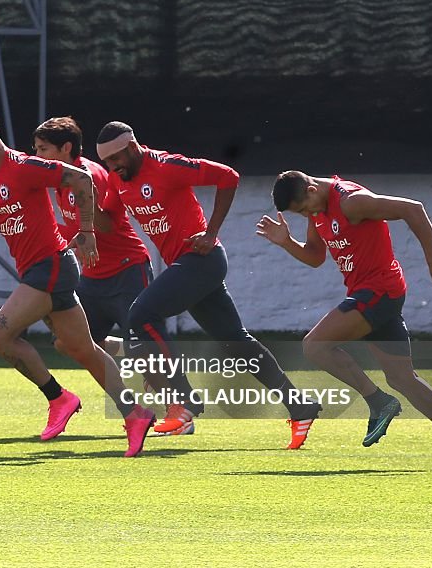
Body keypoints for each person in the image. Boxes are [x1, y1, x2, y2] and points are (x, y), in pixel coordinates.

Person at [96, 121, 321, 448]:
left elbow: (228, 177)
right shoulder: (119, 180)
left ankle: (184, 401)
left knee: (141, 314)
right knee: (236, 342)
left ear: (132, 148)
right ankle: (299, 405)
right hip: (188, 268)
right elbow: (108, 222)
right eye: (106, 163)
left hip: (203, 259)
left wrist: (212, 231)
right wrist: (82, 210)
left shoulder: (166, 166)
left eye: (115, 159)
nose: (112, 167)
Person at [0, 104, 156, 457]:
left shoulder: (24, 167)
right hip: (35, 270)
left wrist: (87, 230)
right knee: (82, 348)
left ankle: (58, 397)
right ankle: (134, 413)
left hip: (53, 265)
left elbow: (81, 178)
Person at [257, 170, 432, 470]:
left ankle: (378, 402)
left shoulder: (351, 202)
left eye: (305, 209)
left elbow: (413, 209)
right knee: (402, 378)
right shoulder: (317, 208)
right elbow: (314, 256)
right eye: (301, 214)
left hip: (379, 291)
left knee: (315, 346)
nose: (307, 215)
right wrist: (286, 242)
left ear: (311, 190)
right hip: (375, 293)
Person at [32, 116, 152, 360]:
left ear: (66, 148)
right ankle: (133, 359)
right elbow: (74, 228)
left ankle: (157, 369)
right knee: (67, 342)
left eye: (43, 149)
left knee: (144, 345)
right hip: (93, 277)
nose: (37, 156)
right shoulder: (61, 180)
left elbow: (106, 226)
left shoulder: (89, 176)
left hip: (126, 270)